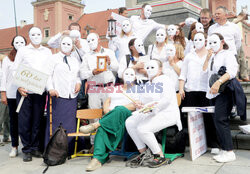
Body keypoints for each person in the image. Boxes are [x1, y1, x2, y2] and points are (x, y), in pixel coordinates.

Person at [79, 68, 139, 172]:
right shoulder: (116, 88)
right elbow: (107, 101)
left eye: (131, 74)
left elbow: (134, 106)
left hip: (126, 115)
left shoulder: (137, 89)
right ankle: (97, 160)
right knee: (102, 129)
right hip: (111, 117)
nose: (129, 76)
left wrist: (115, 110)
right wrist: (107, 110)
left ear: (135, 77)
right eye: (127, 73)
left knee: (119, 109)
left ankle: (95, 125)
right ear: (122, 76)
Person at [125, 59, 182, 168]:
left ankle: (159, 155)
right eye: (148, 67)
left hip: (167, 113)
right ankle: (144, 153)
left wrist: (150, 107)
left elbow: (166, 100)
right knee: (130, 122)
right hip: (151, 113)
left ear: (160, 69)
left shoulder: (165, 80)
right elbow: (143, 100)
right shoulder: (148, 83)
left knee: (142, 128)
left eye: (152, 67)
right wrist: (139, 104)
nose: (150, 70)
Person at [13, 27, 52, 162]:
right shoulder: (23, 51)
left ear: (42, 35)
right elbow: (15, 68)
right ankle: (27, 149)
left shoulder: (47, 51)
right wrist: (19, 86)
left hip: (40, 91)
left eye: (38, 34)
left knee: (37, 120)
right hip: (25, 92)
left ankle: (35, 147)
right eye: (33, 34)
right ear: (29, 36)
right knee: (25, 122)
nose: (36, 36)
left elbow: (49, 70)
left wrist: (50, 87)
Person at [179, 32, 220, 150]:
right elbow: (183, 74)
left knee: (209, 118)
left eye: (200, 39)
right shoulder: (189, 56)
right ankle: (195, 144)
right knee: (192, 118)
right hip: (191, 91)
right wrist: (181, 88)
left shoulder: (211, 54)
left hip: (205, 91)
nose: (197, 41)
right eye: (195, 39)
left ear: (205, 40)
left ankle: (214, 144)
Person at [203, 33, 239, 163]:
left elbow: (232, 71)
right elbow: (204, 71)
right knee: (217, 120)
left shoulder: (227, 54)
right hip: (213, 92)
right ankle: (224, 149)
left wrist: (218, 83)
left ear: (222, 42)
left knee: (221, 119)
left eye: (214, 42)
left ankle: (229, 151)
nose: (212, 45)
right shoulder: (213, 55)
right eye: (210, 42)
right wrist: (207, 58)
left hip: (225, 90)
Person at [80, 33, 119, 149]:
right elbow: (82, 74)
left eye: (93, 39)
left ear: (98, 39)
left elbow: (117, 69)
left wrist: (110, 63)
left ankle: (112, 142)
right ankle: (94, 144)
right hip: (94, 88)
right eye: (88, 40)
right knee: (94, 115)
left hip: (108, 87)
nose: (91, 42)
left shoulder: (109, 52)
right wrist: (92, 72)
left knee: (110, 113)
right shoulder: (86, 56)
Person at [44, 36, 81, 155]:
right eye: (64, 43)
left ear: (72, 46)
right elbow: (47, 75)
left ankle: (69, 149)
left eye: (69, 44)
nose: (66, 46)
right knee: (56, 123)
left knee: (70, 123)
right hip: (58, 95)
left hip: (72, 97)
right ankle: (55, 150)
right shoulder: (53, 59)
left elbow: (78, 75)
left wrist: (79, 83)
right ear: (60, 44)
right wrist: (50, 88)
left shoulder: (75, 60)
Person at [0, 36, 26, 156]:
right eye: (17, 42)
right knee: (13, 121)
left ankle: (28, 146)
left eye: (22, 42)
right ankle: (14, 146)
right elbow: (3, 76)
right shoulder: (7, 59)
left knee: (26, 121)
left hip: (26, 94)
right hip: (12, 94)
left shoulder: (28, 56)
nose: (19, 44)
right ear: (13, 44)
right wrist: (3, 93)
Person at [232, 11, 249, 81]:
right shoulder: (235, 20)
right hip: (235, 42)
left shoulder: (240, 22)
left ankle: (244, 75)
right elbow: (232, 23)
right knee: (236, 59)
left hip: (240, 41)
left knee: (242, 59)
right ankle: (235, 76)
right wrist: (240, 18)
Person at [0, 56, 10, 146]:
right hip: (1, 93)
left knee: (7, 117)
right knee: (1, 116)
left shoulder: (6, 69)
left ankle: (6, 137)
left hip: (8, 93)